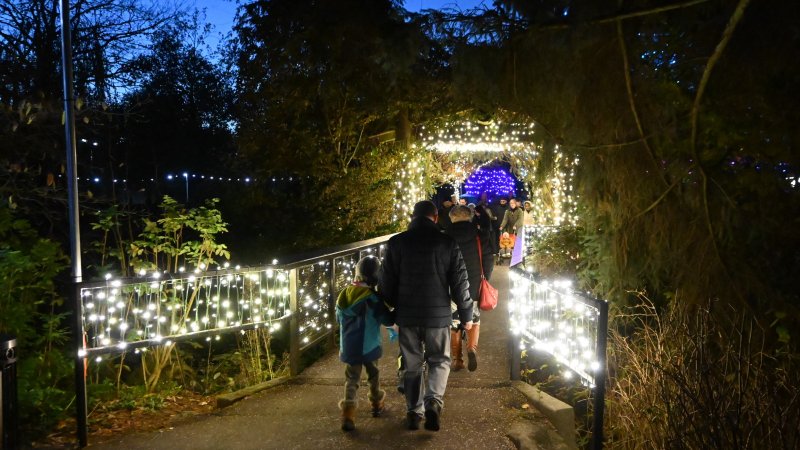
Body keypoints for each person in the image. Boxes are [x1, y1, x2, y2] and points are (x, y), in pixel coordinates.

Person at [380, 200, 473, 432]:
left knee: (411, 364)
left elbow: (386, 281)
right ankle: (433, 400)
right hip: (438, 315)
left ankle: (413, 411)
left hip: (407, 314)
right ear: (435, 217)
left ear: (413, 217)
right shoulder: (447, 242)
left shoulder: (396, 243)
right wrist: (466, 314)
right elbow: (460, 282)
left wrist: (390, 309)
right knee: (440, 360)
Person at [336, 256, 394, 432]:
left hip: (350, 346)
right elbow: (387, 319)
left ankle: (348, 412)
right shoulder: (372, 298)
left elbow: (339, 317)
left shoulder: (344, 295)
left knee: (351, 379)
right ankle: (376, 402)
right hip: (369, 345)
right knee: (373, 374)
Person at [445, 205, 493, 372]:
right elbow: (488, 260)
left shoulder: (445, 237)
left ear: (452, 218)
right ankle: (472, 348)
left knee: (454, 323)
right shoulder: (479, 236)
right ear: (470, 217)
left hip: (450, 286)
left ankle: (458, 360)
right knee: (474, 320)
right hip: (473, 284)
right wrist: (485, 278)